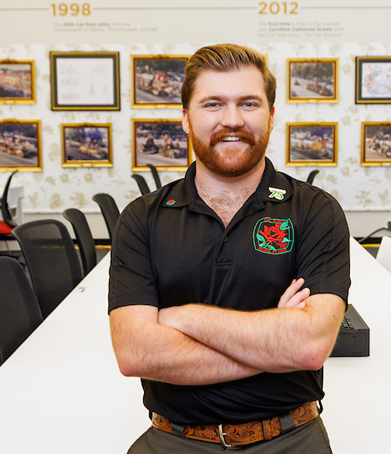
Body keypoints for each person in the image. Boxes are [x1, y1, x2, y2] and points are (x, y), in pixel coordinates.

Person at [109, 44, 351, 453]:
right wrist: (275, 342)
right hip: (174, 438)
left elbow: (309, 346)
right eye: (213, 104)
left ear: (272, 117)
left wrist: (181, 318)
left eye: (249, 103)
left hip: (290, 436)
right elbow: (135, 352)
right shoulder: (142, 218)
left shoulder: (315, 211)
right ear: (186, 118)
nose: (232, 120)